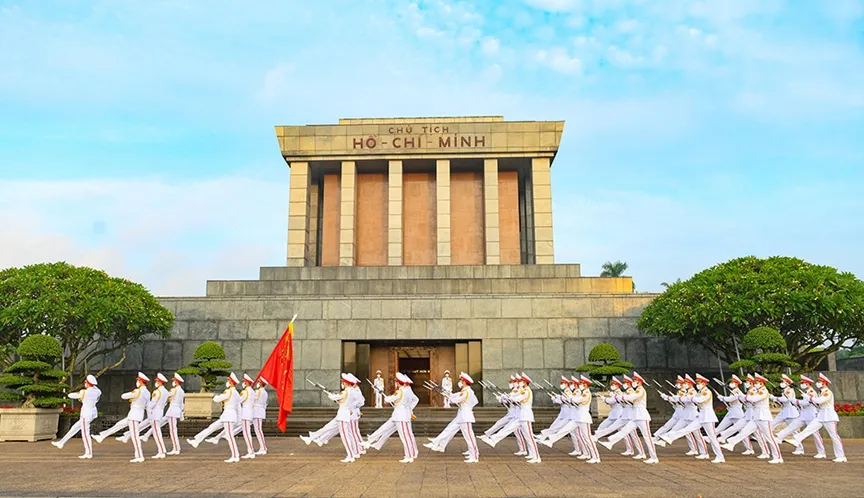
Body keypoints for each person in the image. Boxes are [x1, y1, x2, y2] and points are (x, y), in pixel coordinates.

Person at [657, 373, 724, 463]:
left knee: (712, 437)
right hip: (701, 416)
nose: (698, 385)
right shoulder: (699, 392)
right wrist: (671, 398)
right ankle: (669, 437)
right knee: (688, 429)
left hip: (708, 417)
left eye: (699, 383)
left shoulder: (707, 392)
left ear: (704, 383)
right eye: (697, 383)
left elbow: (698, 400)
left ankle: (720, 457)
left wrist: (688, 398)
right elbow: (686, 399)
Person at [721, 373, 783, 464]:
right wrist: (740, 396)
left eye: (757, 382)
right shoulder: (758, 390)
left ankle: (778, 457)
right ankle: (731, 443)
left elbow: (754, 399)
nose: (755, 383)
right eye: (755, 382)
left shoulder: (763, 391)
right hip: (756, 416)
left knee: (769, 437)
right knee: (745, 431)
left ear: (761, 383)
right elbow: (749, 399)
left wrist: (742, 396)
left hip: (763, 417)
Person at [597, 372, 659, 464]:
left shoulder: (640, 390)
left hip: (642, 416)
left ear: (639, 382)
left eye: (635, 381)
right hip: (635, 416)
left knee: (647, 437)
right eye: (633, 380)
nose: (633, 382)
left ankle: (654, 457)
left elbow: (632, 397)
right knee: (624, 431)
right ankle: (610, 442)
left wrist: (620, 396)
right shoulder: (635, 390)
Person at [537, 376, 600, 463]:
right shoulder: (582, 393)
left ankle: (596, 457)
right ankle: (551, 441)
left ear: (586, 385)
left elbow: (578, 399)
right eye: (580, 384)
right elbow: (574, 400)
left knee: (587, 438)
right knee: (565, 429)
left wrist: (570, 398)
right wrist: (567, 398)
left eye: (582, 384)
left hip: (584, 418)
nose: (580, 385)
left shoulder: (586, 394)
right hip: (577, 418)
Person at [785, 373, 846, 463]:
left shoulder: (827, 392)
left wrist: (808, 397)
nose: (817, 383)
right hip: (821, 415)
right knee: (810, 428)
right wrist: (808, 399)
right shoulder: (820, 392)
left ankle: (841, 456)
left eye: (819, 382)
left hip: (829, 416)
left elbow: (819, 400)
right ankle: (797, 439)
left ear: (824, 383)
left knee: (834, 436)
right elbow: (816, 403)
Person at [93, 372, 150, 463]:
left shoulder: (138, 391)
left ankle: (139, 455)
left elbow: (124, 396)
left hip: (134, 415)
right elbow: (148, 405)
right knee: (119, 424)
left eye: (138, 381)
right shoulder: (147, 392)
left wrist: (131, 393)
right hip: (137, 414)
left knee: (135, 436)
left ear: (140, 381)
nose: (137, 382)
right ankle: (102, 436)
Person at [423, 372, 480, 463]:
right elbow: (455, 395)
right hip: (461, 415)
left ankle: (475, 456)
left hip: (466, 417)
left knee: (469, 437)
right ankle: (438, 444)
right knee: (449, 429)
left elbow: (455, 400)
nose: (460, 382)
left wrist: (449, 397)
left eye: (461, 380)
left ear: (464, 382)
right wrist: (448, 394)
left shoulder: (466, 392)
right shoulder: (464, 391)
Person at [186, 372, 241, 463]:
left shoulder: (229, 391)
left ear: (231, 382)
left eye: (228, 380)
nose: (227, 382)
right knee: (212, 427)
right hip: (228, 416)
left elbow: (217, 399)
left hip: (228, 416)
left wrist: (216, 396)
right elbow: (239, 408)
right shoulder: (236, 393)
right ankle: (197, 440)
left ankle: (235, 455)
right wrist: (238, 419)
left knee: (230, 436)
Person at [52, 374, 101, 459]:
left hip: (86, 414)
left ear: (88, 383)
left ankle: (88, 453)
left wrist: (72, 393)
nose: (85, 383)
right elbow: (94, 389)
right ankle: (61, 442)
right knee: (74, 428)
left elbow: (71, 395)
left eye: (86, 381)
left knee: (85, 434)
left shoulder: (84, 392)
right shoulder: (98, 391)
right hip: (93, 412)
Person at [775, 375, 825, 457]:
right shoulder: (806, 392)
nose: (802, 384)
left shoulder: (812, 392)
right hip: (803, 414)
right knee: (792, 426)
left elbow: (806, 402)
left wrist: (795, 401)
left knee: (815, 434)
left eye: (803, 383)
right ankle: (779, 437)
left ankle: (821, 452)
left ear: (808, 384)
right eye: (801, 383)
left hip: (811, 414)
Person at [479, 375, 527, 456]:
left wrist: (506, 398)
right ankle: (488, 435)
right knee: (502, 424)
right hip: (512, 414)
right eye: (512, 382)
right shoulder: (515, 390)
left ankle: (524, 449)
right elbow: (509, 401)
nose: (512, 384)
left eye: (513, 382)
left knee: (518, 432)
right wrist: (502, 399)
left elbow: (515, 401)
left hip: (518, 414)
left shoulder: (520, 390)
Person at [386, 372, 420, 463]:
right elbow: (416, 399)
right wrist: (409, 408)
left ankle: (409, 456)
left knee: (405, 436)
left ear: (398, 383)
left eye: (397, 382)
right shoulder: (408, 390)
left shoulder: (400, 391)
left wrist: (386, 398)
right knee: (409, 435)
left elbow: (390, 399)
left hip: (401, 416)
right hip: (405, 415)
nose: (396, 384)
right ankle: (413, 453)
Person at [509, 373, 541, 463]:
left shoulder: (526, 391)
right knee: (527, 436)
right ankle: (532, 454)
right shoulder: (524, 390)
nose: (520, 382)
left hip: (526, 415)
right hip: (523, 415)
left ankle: (537, 457)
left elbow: (519, 398)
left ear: (525, 382)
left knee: (530, 436)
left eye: (522, 381)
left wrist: (511, 397)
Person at [769, 374, 801, 452]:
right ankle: (772, 442)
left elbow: (785, 399)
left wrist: (774, 397)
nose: (781, 383)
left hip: (790, 412)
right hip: (784, 411)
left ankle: (800, 448)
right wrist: (775, 399)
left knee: (794, 431)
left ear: (787, 383)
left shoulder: (789, 390)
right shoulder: (785, 390)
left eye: (783, 382)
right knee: (772, 424)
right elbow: (782, 402)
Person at [145, 373, 170, 459]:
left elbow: (153, 402)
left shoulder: (157, 391)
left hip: (155, 412)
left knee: (156, 433)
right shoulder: (166, 392)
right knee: (156, 432)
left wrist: (147, 406)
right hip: (160, 411)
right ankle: (161, 450)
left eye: (157, 381)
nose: (156, 383)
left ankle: (162, 451)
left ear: (159, 382)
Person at [164, 373, 185, 455]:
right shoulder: (181, 391)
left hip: (172, 411)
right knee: (173, 430)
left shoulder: (174, 390)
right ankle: (176, 448)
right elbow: (181, 404)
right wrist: (181, 413)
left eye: (174, 381)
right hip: (176, 410)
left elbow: (165, 395)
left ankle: (176, 448)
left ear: (176, 382)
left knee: (173, 430)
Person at [238, 374, 258, 459]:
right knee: (247, 432)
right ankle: (250, 450)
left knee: (246, 433)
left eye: (244, 382)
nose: (243, 383)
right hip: (250, 412)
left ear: (246, 383)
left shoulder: (246, 392)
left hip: (245, 413)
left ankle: (251, 451)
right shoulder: (252, 392)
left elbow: (239, 400)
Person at [252, 377, 269, 455]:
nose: (257, 383)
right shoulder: (263, 392)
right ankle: (262, 447)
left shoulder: (259, 392)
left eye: (259, 382)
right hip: (259, 412)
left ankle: (263, 448)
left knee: (258, 430)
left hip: (258, 412)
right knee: (258, 430)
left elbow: (253, 398)